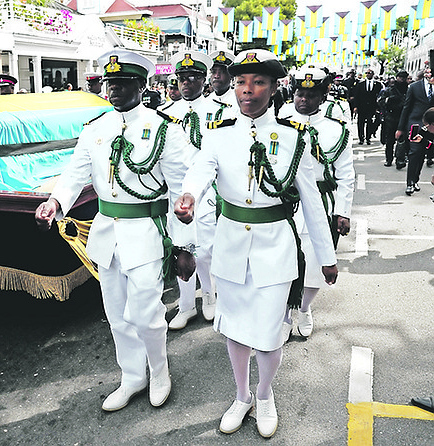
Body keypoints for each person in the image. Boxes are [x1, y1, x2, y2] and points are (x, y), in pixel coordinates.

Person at [174, 49, 338, 438]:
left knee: (266, 334)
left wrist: (327, 258)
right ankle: (241, 394)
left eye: (258, 82)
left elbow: (312, 203)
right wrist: (189, 197)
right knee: (234, 329)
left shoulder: (293, 139)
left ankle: (264, 395)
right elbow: (200, 171)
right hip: (231, 247)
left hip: (275, 248)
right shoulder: (217, 137)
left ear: (275, 87)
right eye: (241, 82)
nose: (248, 90)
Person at [34, 48, 196, 413]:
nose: (114, 90)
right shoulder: (96, 129)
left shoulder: (165, 131)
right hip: (107, 234)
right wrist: (55, 204)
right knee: (117, 313)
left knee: (147, 314)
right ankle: (132, 376)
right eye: (111, 83)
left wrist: (186, 246)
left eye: (123, 83)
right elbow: (74, 174)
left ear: (142, 85)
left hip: (147, 234)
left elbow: (182, 191)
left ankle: (159, 372)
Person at [159, 49, 236, 330]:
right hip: (174, 192)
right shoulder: (165, 114)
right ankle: (186, 304)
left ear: (204, 80)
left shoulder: (221, 112)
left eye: (193, 78)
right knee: (180, 247)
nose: (186, 83)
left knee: (204, 249)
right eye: (182, 78)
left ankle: (209, 296)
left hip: (207, 191)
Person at [278, 67, 354, 340]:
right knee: (284, 261)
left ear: (323, 96)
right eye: (299, 93)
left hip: (321, 202)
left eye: (311, 95)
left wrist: (342, 212)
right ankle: (285, 312)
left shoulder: (336, 130)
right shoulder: (279, 123)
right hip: (287, 202)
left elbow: (346, 175)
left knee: (316, 263)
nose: (303, 100)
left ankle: (305, 308)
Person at [396, 68, 434, 195]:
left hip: (431, 126)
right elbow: (406, 108)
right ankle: (410, 183)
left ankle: (416, 179)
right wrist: (401, 128)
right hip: (415, 125)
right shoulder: (414, 87)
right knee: (414, 153)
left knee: (423, 154)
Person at [379, 71, 408, 168]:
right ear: (397, 77)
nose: (402, 79)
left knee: (402, 140)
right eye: (400, 77)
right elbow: (380, 102)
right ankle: (389, 159)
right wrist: (389, 101)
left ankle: (400, 159)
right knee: (390, 140)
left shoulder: (408, 89)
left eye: (404, 77)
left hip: (403, 117)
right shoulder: (390, 90)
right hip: (391, 117)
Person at [351, 69, 382, 145]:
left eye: (369, 73)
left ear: (373, 74)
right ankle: (361, 138)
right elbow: (357, 96)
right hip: (362, 106)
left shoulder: (377, 84)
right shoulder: (361, 84)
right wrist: (355, 106)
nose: (368, 74)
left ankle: (368, 137)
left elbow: (379, 96)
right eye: (367, 73)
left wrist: (377, 107)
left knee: (370, 122)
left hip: (371, 107)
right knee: (360, 123)